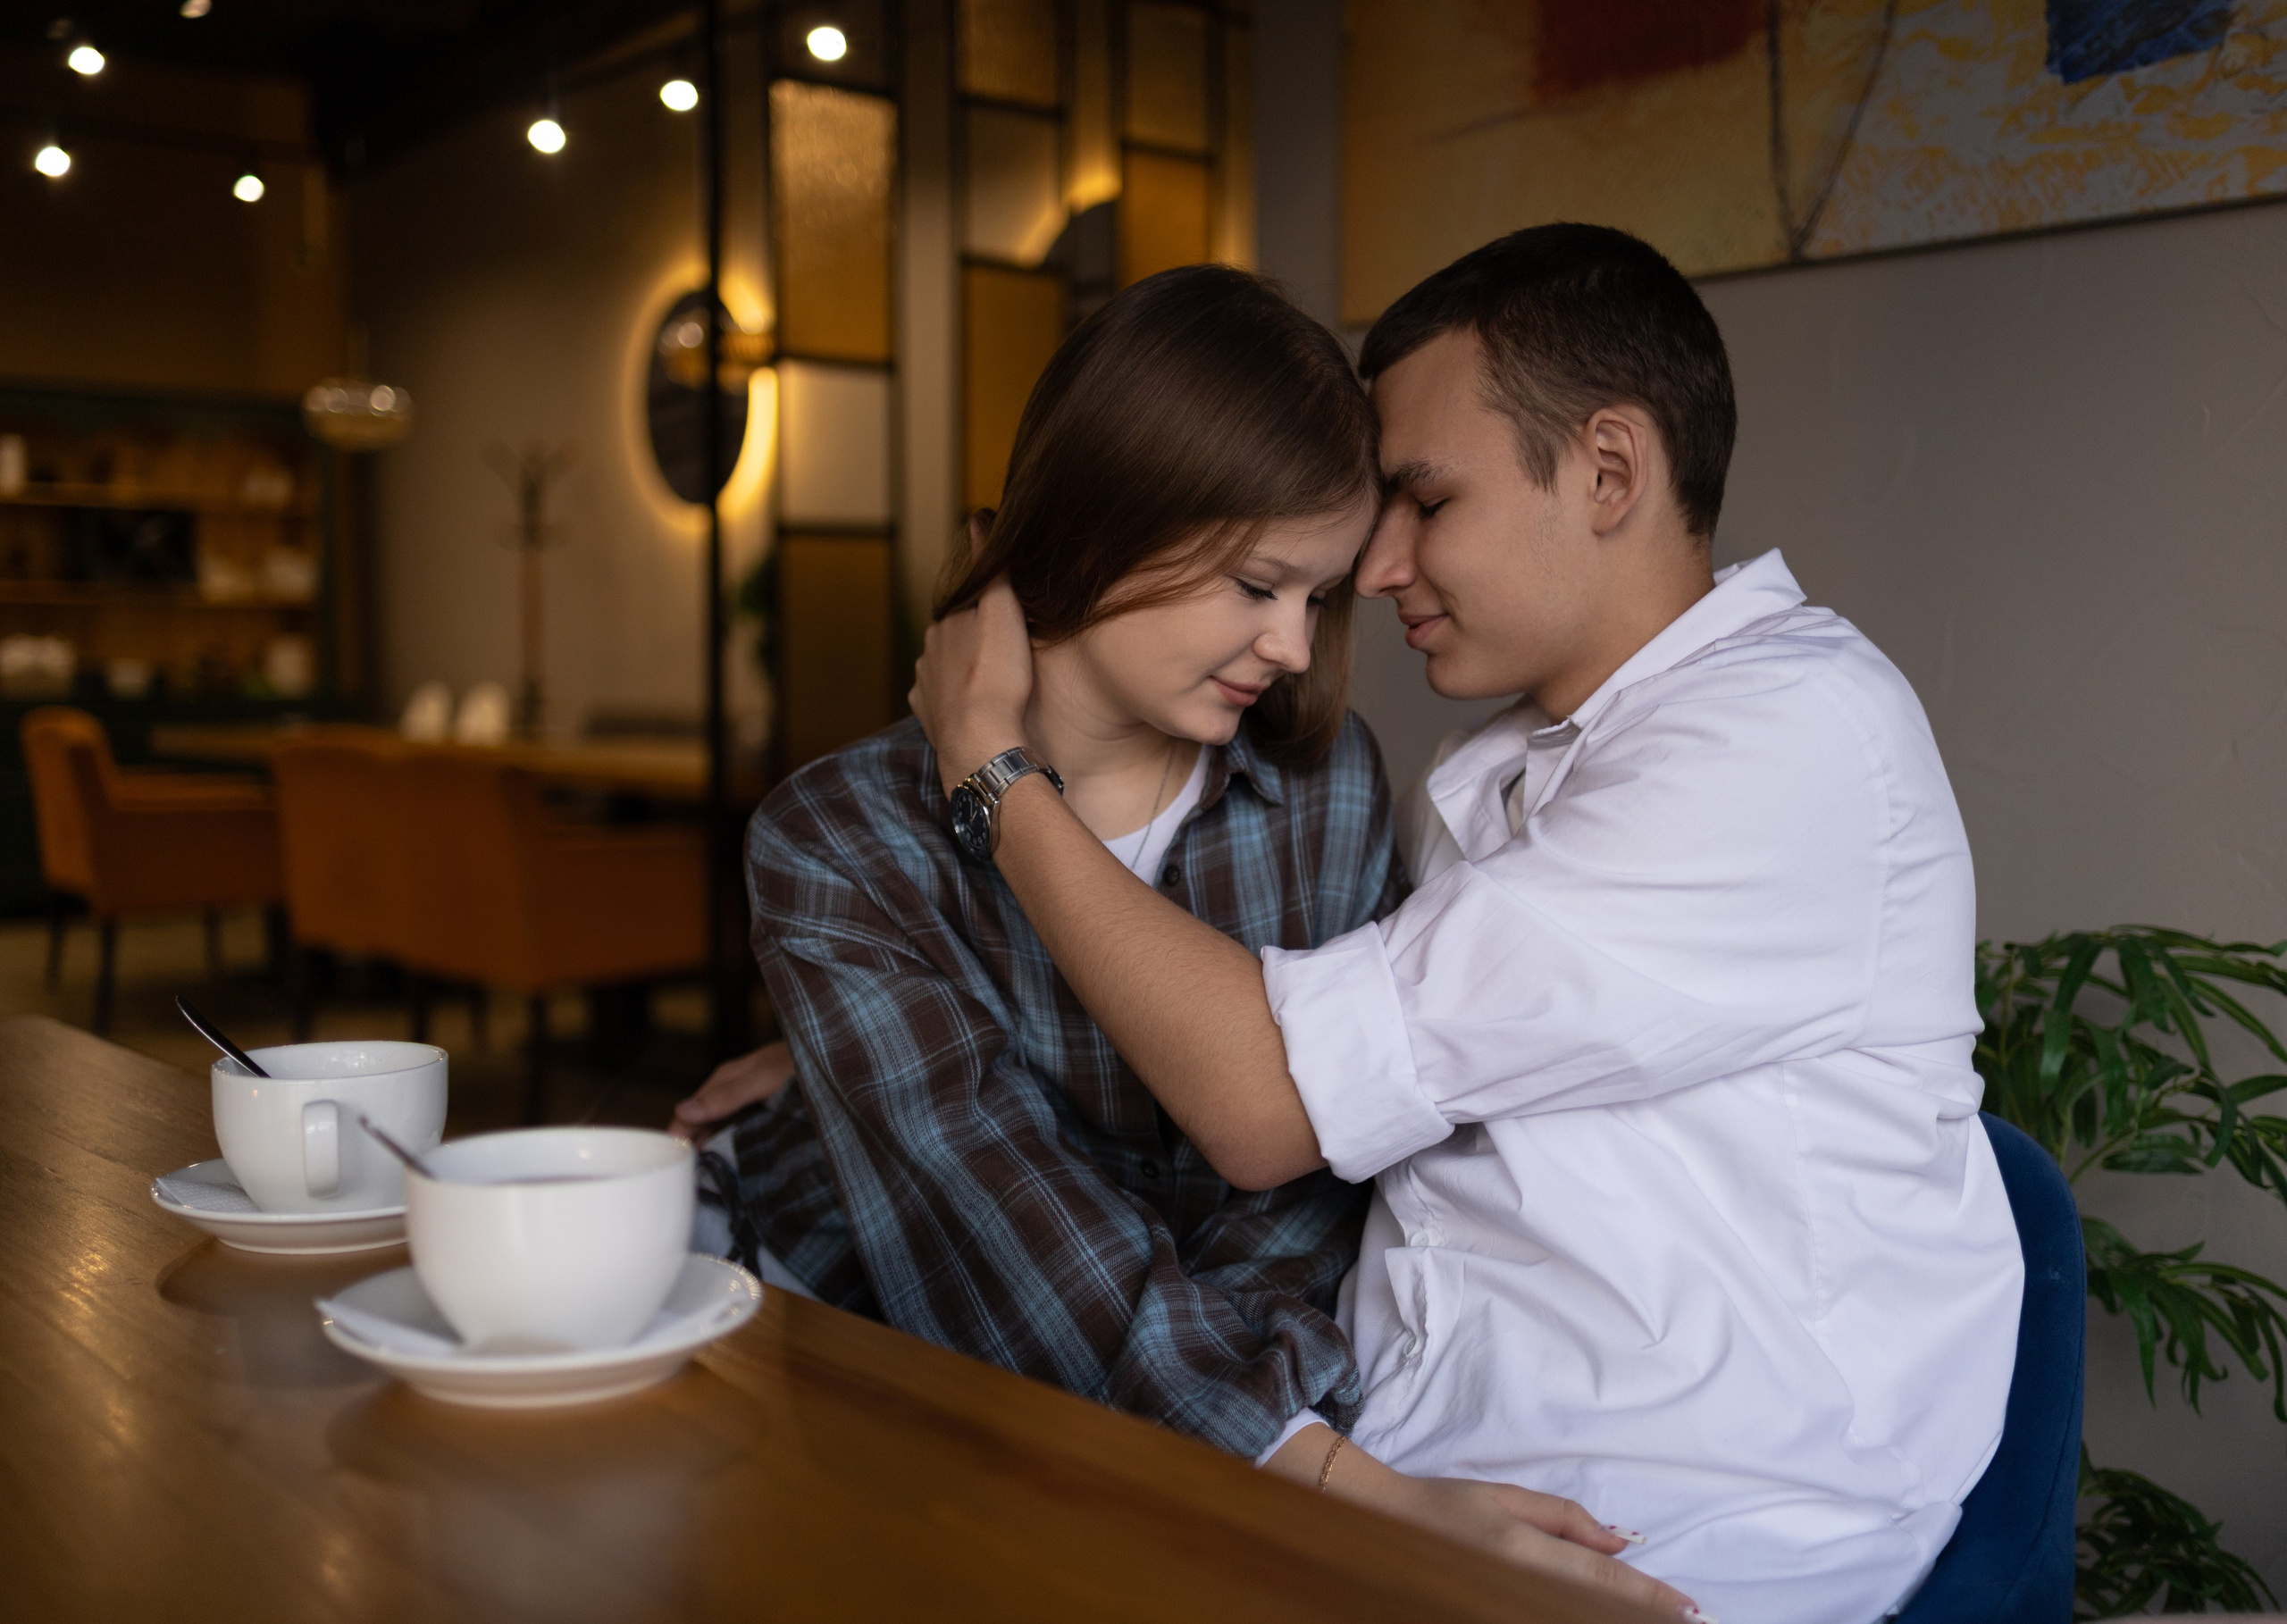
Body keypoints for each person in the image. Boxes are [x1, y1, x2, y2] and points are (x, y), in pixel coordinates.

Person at [908, 225, 2023, 1624]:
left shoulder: (1784, 740)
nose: (1373, 566)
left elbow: (1265, 1098)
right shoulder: (1506, 762)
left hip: (1679, 1526)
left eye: (1423, 501)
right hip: (1414, 1468)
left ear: (1610, 471)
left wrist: (988, 772)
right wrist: (924, 1008)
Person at [681, 263, 1694, 1617]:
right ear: (1106, 513)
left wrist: (1268, 1444)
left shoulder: (1322, 791)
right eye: (1256, 583)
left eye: (1319, 597)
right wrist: (1332, 1477)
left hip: (1204, 1420)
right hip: (869, 1383)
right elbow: (995, 1228)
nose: (1289, 642)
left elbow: (1308, 1190)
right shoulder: (834, 838)